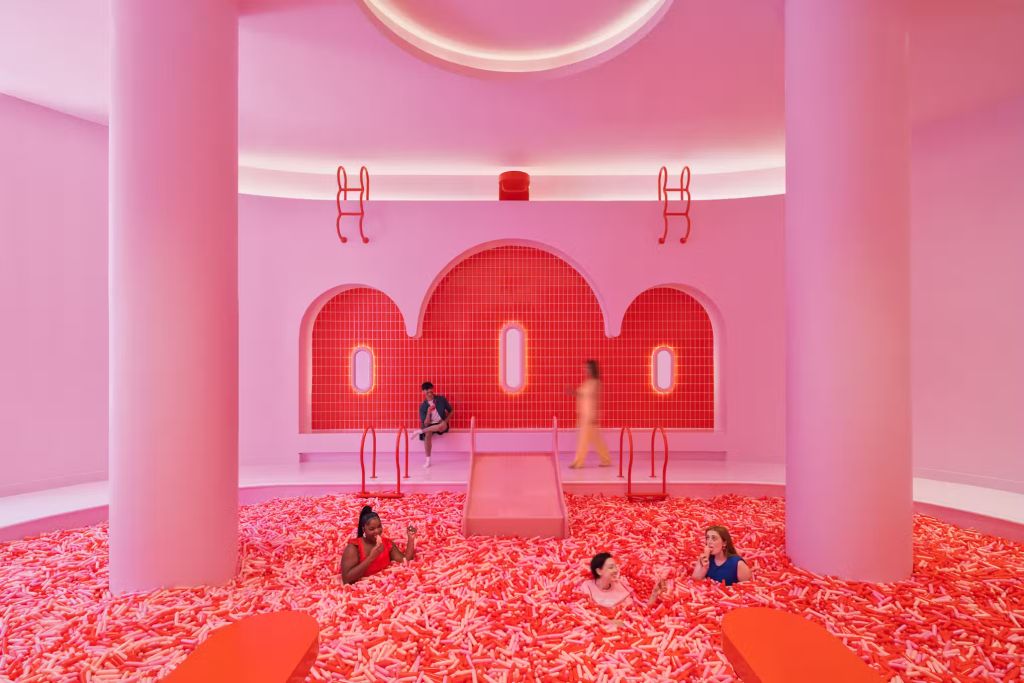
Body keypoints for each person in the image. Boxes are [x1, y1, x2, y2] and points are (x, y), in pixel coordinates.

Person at [340, 505, 417, 584]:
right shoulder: (354, 547)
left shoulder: (387, 543)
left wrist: (411, 539)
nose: (377, 531)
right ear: (364, 529)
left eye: (379, 527)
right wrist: (371, 557)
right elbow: (346, 579)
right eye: (372, 529)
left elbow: (405, 560)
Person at [580, 552, 666, 609]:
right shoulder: (587, 587)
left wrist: (654, 594)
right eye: (611, 567)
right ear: (599, 571)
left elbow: (640, 611)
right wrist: (611, 621)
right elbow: (589, 613)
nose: (615, 570)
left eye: (615, 567)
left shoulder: (621, 585)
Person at [568, 360, 611, 468]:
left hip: (590, 415)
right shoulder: (587, 383)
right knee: (597, 440)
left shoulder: (596, 383)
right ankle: (606, 459)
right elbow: (580, 394)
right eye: (585, 368)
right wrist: (571, 391)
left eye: (587, 368)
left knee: (583, 440)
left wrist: (595, 415)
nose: (585, 370)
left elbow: (597, 400)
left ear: (592, 369)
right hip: (584, 414)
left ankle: (578, 462)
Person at [413, 381, 453, 469]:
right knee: (427, 435)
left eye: (431, 391)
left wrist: (445, 421)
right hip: (430, 425)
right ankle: (428, 461)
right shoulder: (423, 406)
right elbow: (426, 423)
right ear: (423, 392)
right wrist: (428, 412)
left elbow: (451, 411)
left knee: (441, 426)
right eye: (427, 392)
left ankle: (421, 431)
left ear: (433, 390)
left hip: (441, 423)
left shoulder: (441, 399)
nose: (430, 393)